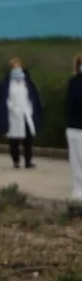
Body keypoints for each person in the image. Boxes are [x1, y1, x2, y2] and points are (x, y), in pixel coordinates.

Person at [0, 58, 42, 169]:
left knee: (28, 138)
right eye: (14, 67)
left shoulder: (27, 82)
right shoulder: (6, 84)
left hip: (26, 113)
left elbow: (33, 97)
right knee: (14, 139)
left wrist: (31, 109)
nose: (17, 70)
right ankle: (16, 160)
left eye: (18, 67)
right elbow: (2, 98)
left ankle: (28, 161)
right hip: (13, 114)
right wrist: (11, 108)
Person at [65, 54, 82, 200]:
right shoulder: (74, 82)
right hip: (75, 128)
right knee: (76, 161)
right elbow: (72, 103)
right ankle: (78, 191)